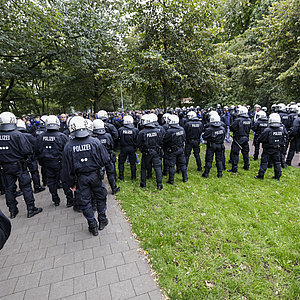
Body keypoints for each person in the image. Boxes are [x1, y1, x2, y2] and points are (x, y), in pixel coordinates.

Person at [63, 116, 112, 236]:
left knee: (85, 202)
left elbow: (66, 169)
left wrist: (71, 184)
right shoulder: (95, 142)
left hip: (81, 179)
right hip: (96, 176)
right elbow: (106, 159)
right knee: (100, 198)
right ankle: (102, 219)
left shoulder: (69, 146)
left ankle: (92, 225)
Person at [0, 112, 42, 218]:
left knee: (9, 189)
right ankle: (31, 209)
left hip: (5, 166)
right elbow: (27, 150)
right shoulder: (18, 135)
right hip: (19, 165)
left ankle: (13, 211)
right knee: (26, 187)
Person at [35, 115, 73, 207]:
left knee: (51, 182)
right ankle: (69, 200)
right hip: (60, 163)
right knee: (64, 182)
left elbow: (36, 150)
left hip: (47, 163)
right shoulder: (62, 136)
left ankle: (55, 200)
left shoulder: (40, 137)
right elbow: (68, 150)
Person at [16, 120, 45, 193]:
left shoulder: (15, 136)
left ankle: (22, 189)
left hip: (20, 159)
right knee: (34, 172)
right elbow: (36, 145)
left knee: (21, 174)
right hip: (30, 157)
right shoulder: (28, 136)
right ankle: (37, 187)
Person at [92, 119, 120, 194]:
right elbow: (112, 145)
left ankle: (100, 190)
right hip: (108, 156)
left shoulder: (93, 138)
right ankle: (114, 188)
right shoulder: (108, 135)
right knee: (110, 173)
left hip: (98, 158)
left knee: (98, 174)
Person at [137, 114, 163, 190]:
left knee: (144, 168)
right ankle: (159, 184)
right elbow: (160, 141)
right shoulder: (157, 131)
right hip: (156, 152)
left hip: (146, 153)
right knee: (157, 168)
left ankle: (143, 183)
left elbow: (138, 143)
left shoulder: (142, 132)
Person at [255, 113, 284, 180]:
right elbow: (283, 139)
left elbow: (261, 138)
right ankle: (277, 176)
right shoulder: (281, 130)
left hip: (267, 149)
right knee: (277, 163)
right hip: (277, 149)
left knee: (264, 162)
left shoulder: (267, 130)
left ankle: (261, 175)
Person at [163, 114, 188, 185]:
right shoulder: (181, 129)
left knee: (171, 166)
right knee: (183, 164)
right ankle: (185, 178)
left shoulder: (169, 131)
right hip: (180, 149)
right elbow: (184, 138)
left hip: (172, 150)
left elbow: (165, 140)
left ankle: (171, 180)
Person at [228, 106, 251, 173]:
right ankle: (246, 166)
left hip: (238, 139)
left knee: (235, 153)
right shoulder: (249, 120)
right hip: (246, 138)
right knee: (245, 153)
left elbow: (232, 127)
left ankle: (234, 169)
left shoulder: (238, 120)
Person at [202, 113, 226, 178]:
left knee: (209, 160)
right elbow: (224, 136)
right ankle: (220, 174)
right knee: (219, 160)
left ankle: (206, 174)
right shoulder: (222, 128)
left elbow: (204, 136)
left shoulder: (209, 129)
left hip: (211, 146)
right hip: (220, 145)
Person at [117, 115, 139, 180]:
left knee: (121, 162)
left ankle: (121, 177)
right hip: (132, 148)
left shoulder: (120, 130)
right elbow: (137, 139)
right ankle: (133, 177)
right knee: (133, 163)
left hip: (123, 148)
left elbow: (118, 138)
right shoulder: (135, 130)